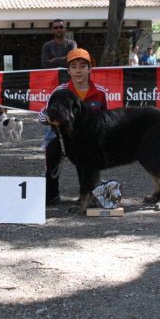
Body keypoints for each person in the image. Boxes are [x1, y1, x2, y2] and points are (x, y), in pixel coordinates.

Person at [38, 48, 107, 205]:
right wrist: (50, 119)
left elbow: (105, 120)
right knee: (52, 151)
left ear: (90, 69)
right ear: (68, 71)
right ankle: (52, 194)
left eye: (83, 66)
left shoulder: (100, 92)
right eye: (73, 66)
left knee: (87, 157)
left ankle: (88, 195)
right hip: (64, 141)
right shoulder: (60, 91)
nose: (78, 71)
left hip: (90, 142)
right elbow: (41, 114)